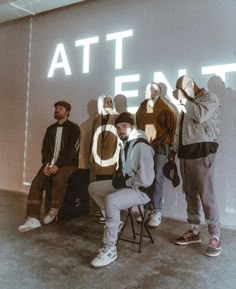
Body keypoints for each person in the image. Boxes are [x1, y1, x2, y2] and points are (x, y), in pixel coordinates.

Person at [89, 112, 155, 267]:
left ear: (133, 127)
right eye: (118, 128)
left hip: (141, 191)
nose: (121, 131)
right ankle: (114, 221)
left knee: (111, 200)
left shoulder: (141, 146)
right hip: (128, 185)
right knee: (93, 187)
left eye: (124, 126)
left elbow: (146, 180)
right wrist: (120, 180)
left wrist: (126, 182)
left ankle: (111, 249)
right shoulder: (126, 143)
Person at [169, 75, 221, 257]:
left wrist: (183, 100)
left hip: (203, 152)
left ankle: (215, 236)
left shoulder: (210, 98)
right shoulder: (186, 104)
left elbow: (200, 116)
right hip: (186, 154)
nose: (179, 95)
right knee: (190, 194)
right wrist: (173, 151)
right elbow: (179, 130)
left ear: (190, 85)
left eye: (181, 90)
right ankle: (194, 231)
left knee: (207, 195)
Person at [18, 101, 81, 232]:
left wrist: (57, 165)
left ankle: (54, 209)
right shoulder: (50, 129)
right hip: (50, 163)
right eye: (56, 108)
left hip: (68, 164)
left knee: (59, 179)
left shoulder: (74, 128)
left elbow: (72, 152)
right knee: (36, 183)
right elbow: (45, 149)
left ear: (67, 112)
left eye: (61, 108)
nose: (57, 110)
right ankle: (32, 218)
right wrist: (46, 164)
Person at [136, 82, 177, 227]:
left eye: (149, 89)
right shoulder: (142, 107)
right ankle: (147, 209)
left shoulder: (166, 108)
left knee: (158, 178)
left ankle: (157, 211)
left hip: (160, 147)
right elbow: (138, 125)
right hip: (145, 147)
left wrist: (170, 149)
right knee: (145, 177)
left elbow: (172, 130)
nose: (145, 91)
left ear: (156, 92)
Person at [89, 94, 119, 222]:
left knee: (109, 184)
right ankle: (103, 210)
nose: (108, 104)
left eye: (110, 101)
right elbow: (94, 137)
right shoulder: (97, 119)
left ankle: (110, 211)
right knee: (98, 184)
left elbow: (120, 139)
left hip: (111, 156)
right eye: (106, 101)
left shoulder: (117, 118)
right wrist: (91, 154)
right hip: (98, 158)